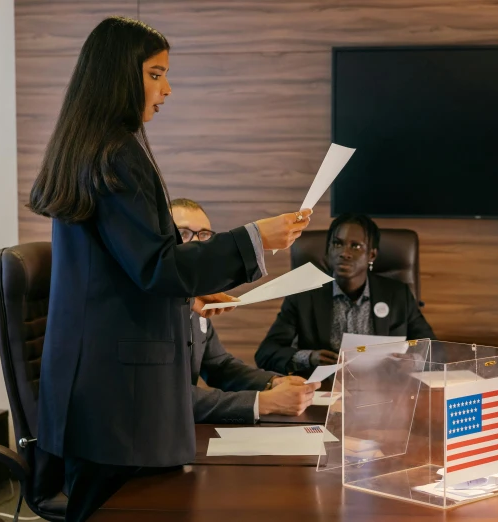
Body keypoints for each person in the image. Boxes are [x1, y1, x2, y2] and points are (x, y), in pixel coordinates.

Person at [26, 17, 311, 521]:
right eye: (156, 74)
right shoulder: (116, 152)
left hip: (102, 395)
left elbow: (124, 268)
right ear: (119, 75)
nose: (167, 89)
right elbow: (156, 266)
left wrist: (193, 296)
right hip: (116, 404)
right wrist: (254, 237)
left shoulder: (99, 146)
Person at [170, 198, 319, 423]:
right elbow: (164, 396)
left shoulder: (196, 298)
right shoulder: (151, 307)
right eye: (183, 233)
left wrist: (272, 383)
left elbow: (219, 366)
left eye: (204, 236)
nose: (196, 245)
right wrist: (263, 402)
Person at [255, 214, 435, 376]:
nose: (344, 253)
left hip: (385, 390)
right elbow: (266, 353)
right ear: (328, 251)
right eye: (337, 244)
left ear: (371, 255)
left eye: (355, 246)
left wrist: (414, 362)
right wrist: (309, 357)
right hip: (325, 392)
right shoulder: (304, 296)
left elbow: (434, 348)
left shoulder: (397, 294)